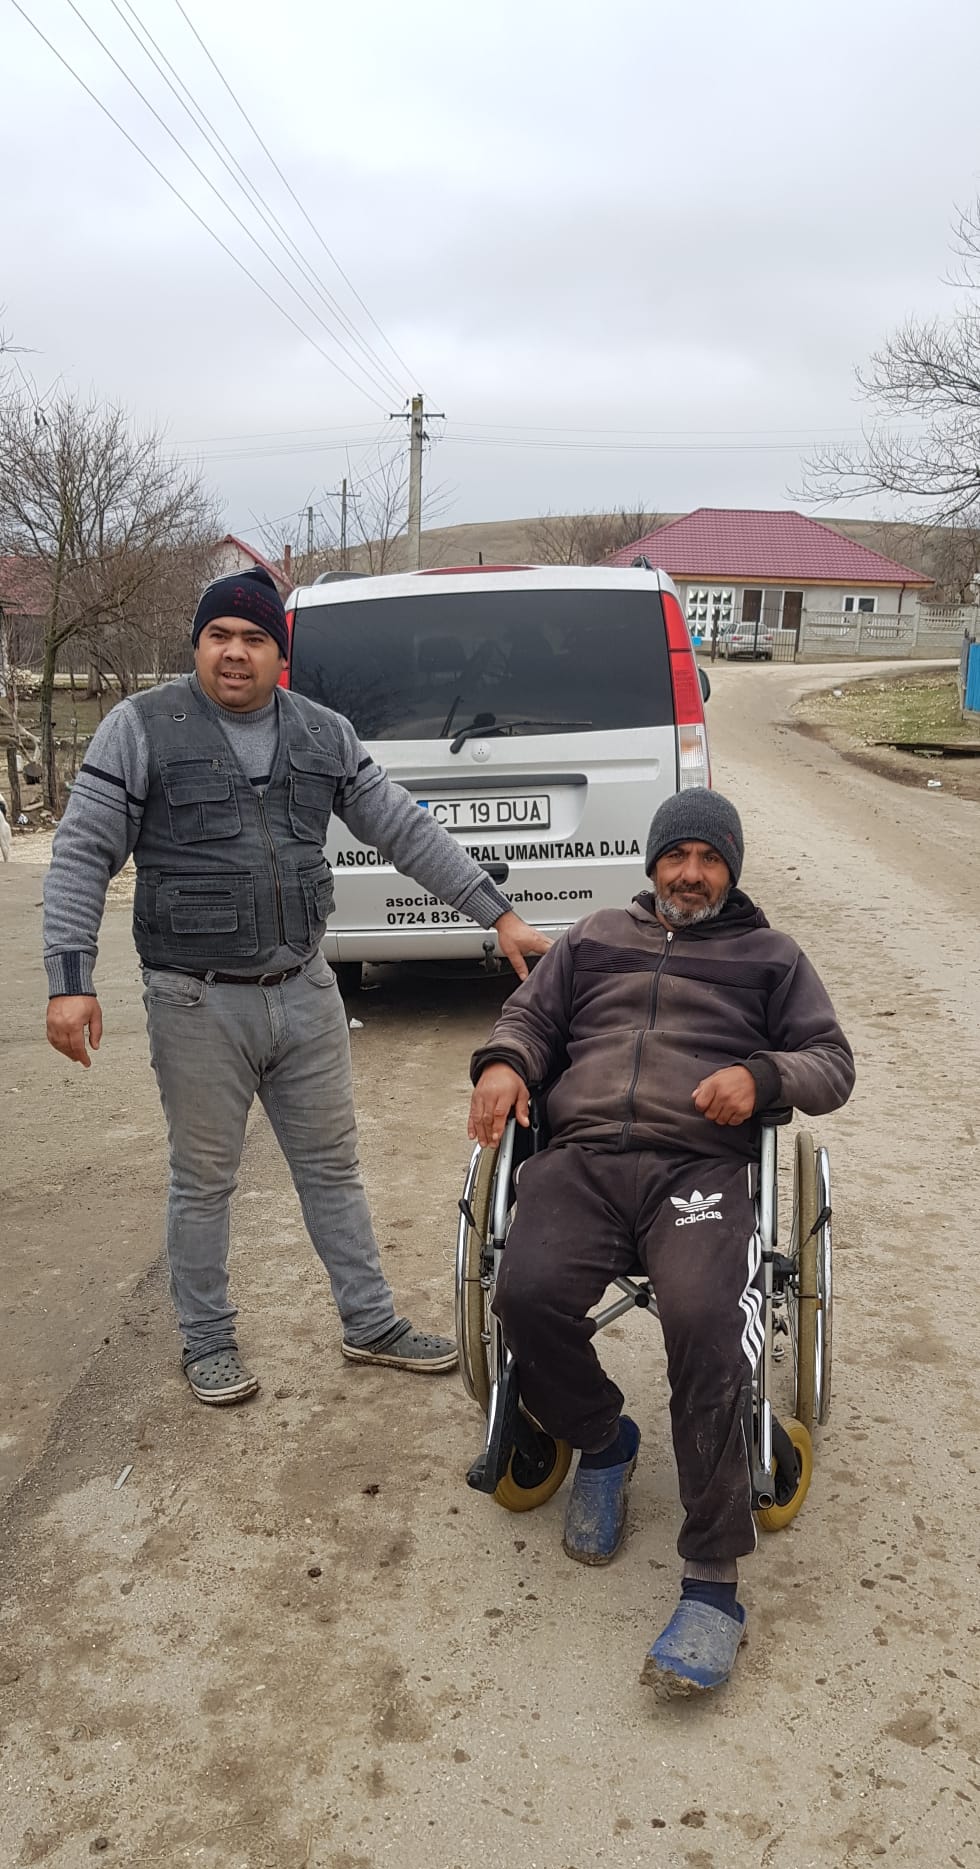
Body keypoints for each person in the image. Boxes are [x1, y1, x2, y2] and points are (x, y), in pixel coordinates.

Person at [43, 564, 551, 1405]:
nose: (234, 653)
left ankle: (370, 1322)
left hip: (307, 992)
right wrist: (71, 977)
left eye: (253, 639)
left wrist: (496, 913)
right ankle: (207, 1339)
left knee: (333, 1169)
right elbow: (81, 853)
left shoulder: (323, 733)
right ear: (197, 645)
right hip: (196, 999)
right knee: (203, 1180)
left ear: (280, 655)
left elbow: (402, 829)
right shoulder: (141, 728)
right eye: (218, 636)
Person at [467, 787, 854, 1698]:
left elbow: (831, 1064)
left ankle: (713, 1581)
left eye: (710, 859)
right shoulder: (594, 938)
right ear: (652, 864)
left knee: (706, 1322)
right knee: (524, 1294)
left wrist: (762, 1076)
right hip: (583, 1160)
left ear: (732, 870)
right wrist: (504, 1062)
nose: (691, 873)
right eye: (677, 855)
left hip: (698, 1170)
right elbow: (530, 1018)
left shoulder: (772, 957)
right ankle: (603, 1440)